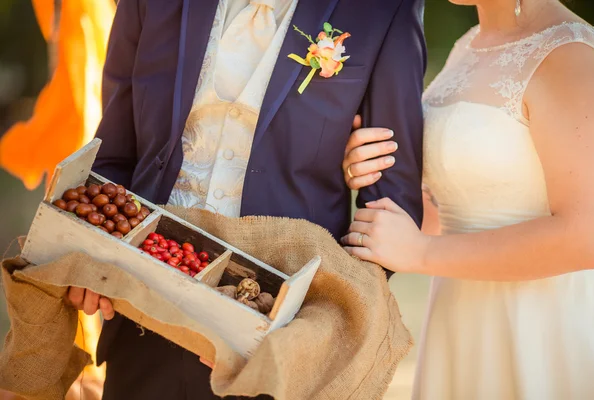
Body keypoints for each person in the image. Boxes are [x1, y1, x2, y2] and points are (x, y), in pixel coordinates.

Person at [64, 0, 427, 398]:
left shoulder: (383, 9)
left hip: (277, 349)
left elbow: (390, 212)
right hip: (141, 319)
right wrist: (92, 252)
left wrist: (309, 333)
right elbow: (115, 155)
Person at [342, 0, 594, 398]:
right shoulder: (470, 43)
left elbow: (589, 235)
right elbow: (460, 208)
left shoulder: (571, 54)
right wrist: (370, 166)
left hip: (542, 327)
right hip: (462, 317)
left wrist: (422, 253)